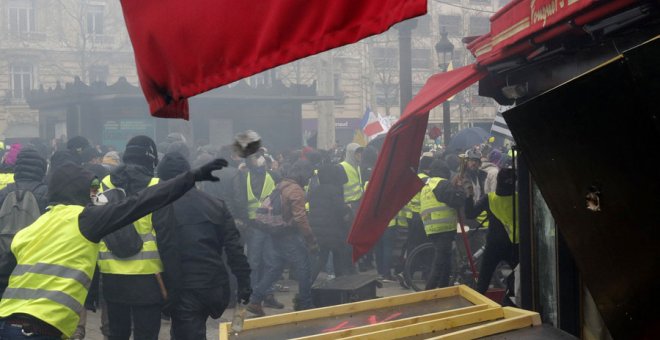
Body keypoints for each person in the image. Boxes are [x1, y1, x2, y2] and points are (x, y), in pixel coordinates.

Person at [0, 156, 228, 339]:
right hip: (40, 330)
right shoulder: (84, 219)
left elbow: (4, 274)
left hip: (8, 324)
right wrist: (191, 178)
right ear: (80, 192)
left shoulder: (31, 229)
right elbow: (141, 202)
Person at [153, 152, 251, 339]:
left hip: (183, 288)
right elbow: (235, 249)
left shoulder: (160, 208)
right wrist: (244, 285)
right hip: (214, 285)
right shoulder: (216, 205)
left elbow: (166, 249)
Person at [96, 136, 165, 340]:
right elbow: (166, 231)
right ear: (151, 159)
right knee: (147, 333)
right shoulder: (157, 184)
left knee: (117, 333)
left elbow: (96, 220)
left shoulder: (104, 184)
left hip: (111, 273)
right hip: (149, 275)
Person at [247, 160, 318, 315]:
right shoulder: (296, 190)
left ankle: (255, 300)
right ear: (302, 174)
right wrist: (310, 240)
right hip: (288, 234)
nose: (309, 180)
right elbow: (300, 218)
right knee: (304, 267)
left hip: (275, 233)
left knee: (276, 268)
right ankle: (305, 304)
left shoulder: (282, 185)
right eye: (309, 176)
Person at [233, 153, 283, 311]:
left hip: (268, 225)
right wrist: (245, 221)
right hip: (254, 225)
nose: (260, 159)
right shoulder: (243, 177)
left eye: (261, 157)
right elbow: (240, 199)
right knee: (254, 262)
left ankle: (267, 295)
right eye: (256, 157)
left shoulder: (272, 175)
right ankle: (255, 297)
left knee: (270, 261)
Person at [0, 148, 49, 298]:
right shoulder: (47, 193)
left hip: (3, 258)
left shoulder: (4, 192)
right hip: (33, 260)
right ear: (42, 169)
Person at [464, 168, 519, 295]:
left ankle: (478, 310)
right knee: (521, 278)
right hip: (515, 245)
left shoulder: (489, 198)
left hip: (493, 246)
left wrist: (469, 195)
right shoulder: (519, 198)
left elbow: (470, 214)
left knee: (483, 283)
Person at [422, 160, 465, 290]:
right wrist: (461, 190)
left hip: (432, 227)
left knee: (446, 261)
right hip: (443, 228)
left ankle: (444, 289)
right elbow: (456, 200)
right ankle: (428, 293)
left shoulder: (428, 184)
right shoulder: (441, 183)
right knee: (440, 262)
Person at [308, 164, 352, 281]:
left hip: (319, 231)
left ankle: (308, 284)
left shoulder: (315, 191)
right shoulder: (333, 190)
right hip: (333, 231)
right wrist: (347, 208)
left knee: (322, 258)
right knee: (338, 256)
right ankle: (339, 282)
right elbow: (339, 209)